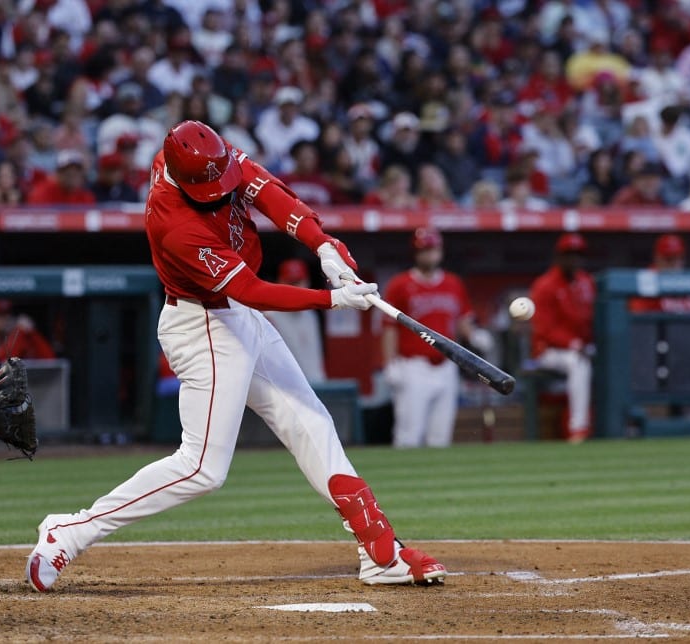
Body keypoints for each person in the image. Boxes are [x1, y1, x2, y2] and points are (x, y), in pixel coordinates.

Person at [27, 120, 446, 592]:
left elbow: (269, 192)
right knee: (202, 468)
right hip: (203, 325)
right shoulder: (174, 224)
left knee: (310, 420)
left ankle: (379, 550)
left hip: (236, 316)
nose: (221, 190)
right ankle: (73, 530)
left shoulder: (209, 155)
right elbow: (252, 288)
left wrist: (323, 244)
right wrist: (333, 301)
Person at [381, 228, 493, 448]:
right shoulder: (400, 284)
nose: (430, 255)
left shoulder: (453, 283)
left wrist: (476, 335)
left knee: (440, 436)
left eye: (433, 250)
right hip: (413, 366)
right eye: (425, 250)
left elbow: (462, 320)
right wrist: (389, 363)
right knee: (409, 435)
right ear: (416, 253)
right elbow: (389, 327)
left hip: (446, 366)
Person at [529, 233, 596, 443]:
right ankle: (578, 430)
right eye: (569, 255)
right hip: (548, 351)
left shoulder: (586, 282)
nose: (574, 260)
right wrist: (573, 344)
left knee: (609, 361)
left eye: (577, 255)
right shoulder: (545, 285)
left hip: (582, 347)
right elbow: (545, 329)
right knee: (578, 363)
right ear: (559, 257)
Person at [263, 258, 327, 383]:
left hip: (317, 384)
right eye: (291, 283)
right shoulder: (269, 315)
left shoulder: (311, 315)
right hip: (287, 387)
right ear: (280, 283)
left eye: (298, 282)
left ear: (307, 282)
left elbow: (316, 356)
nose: (296, 288)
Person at [629, 234, 690, 313]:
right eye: (669, 259)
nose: (674, 264)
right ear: (657, 258)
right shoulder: (647, 282)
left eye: (678, 258)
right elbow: (639, 323)